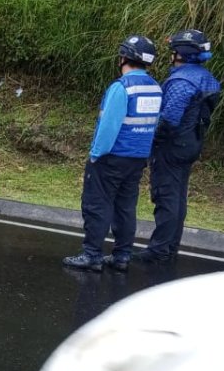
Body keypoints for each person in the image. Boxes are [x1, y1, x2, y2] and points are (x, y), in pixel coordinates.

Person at [63, 35, 163, 272]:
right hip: (137, 159)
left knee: (97, 205)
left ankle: (92, 255)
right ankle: (122, 256)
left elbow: (109, 127)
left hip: (111, 158)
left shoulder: (122, 87)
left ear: (123, 58)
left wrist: (96, 155)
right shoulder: (155, 88)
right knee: (125, 208)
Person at [136, 29, 222, 264]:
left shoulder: (181, 81)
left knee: (167, 196)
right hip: (192, 142)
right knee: (178, 196)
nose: (171, 55)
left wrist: (149, 142)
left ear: (182, 53)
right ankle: (170, 245)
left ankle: (159, 249)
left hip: (173, 147)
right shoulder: (204, 77)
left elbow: (169, 120)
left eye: (174, 51)